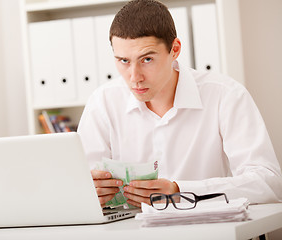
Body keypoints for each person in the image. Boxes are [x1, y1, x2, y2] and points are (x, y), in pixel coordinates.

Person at [77, 0, 282, 208]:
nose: (134, 77)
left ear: (174, 49)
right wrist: (89, 193)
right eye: (123, 61)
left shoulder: (225, 95)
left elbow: (269, 183)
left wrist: (179, 190)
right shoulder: (103, 102)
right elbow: (76, 186)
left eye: (147, 59)